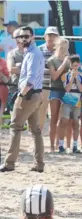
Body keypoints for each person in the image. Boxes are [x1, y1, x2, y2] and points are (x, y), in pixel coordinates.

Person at [0, 26, 45, 173]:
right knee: (35, 131)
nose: (23, 39)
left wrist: (20, 94)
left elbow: (30, 79)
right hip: (36, 95)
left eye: (26, 36)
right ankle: (39, 164)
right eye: (20, 37)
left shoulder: (32, 54)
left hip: (28, 95)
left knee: (15, 127)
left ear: (32, 37)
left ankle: (9, 163)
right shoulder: (32, 52)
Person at [58, 54, 82, 154]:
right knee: (64, 120)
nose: (75, 67)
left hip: (77, 101)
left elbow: (81, 89)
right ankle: (61, 145)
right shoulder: (65, 76)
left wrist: (77, 78)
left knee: (76, 123)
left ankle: (75, 146)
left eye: (77, 65)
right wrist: (71, 78)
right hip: (67, 100)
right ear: (70, 65)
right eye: (73, 65)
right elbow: (67, 88)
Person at [47, 38, 70, 152]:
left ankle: (61, 144)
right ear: (57, 46)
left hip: (67, 90)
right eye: (61, 47)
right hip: (55, 89)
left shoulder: (69, 59)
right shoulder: (52, 60)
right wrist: (65, 63)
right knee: (54, 118)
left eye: (66, 48)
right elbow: (54, 76)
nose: (64, 50)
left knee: (65, 119)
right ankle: (52, 145)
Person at [38, 26, 59, 132]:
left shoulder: (61, 50)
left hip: (57, 87)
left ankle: (54, 144)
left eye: (54, 35)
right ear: (45, 37)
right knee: (40, 115)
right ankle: (37, 140)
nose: (51, 37)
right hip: (43, 86)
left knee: (55, 116)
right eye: (49, 35)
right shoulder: (39, 50)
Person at [6, 28, 25, 113]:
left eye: (20, 37)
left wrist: (19, 66)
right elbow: (11, 70)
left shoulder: (32, 53)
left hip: (30, 90)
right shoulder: (11, 54)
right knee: (15, 118)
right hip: (15, 89)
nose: (18, 39)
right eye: (15, 37)